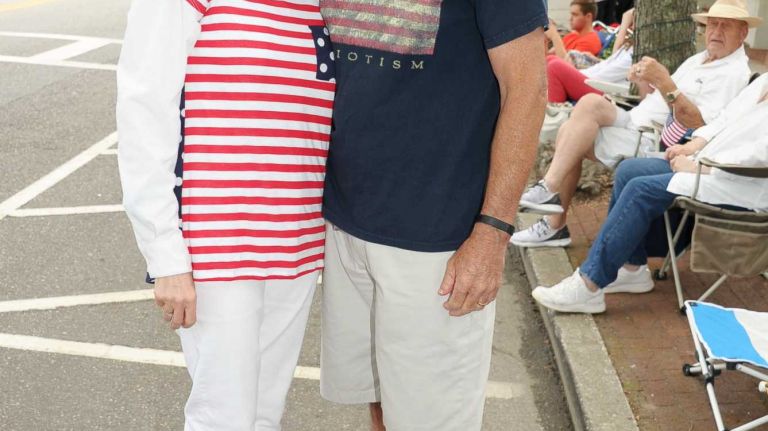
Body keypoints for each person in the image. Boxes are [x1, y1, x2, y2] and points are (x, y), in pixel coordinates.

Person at [317, 1, 548, 430]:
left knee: (430, 420)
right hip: (346, 221)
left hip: (437, 240)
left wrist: (493, 230)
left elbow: (528, 90)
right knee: (381, 399)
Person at [116, 0, 335, 429]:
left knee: (263, 414)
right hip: (218, 245)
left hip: (297, 243)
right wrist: (165, 256)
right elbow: (145, 110)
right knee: (223, 417)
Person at [512, 0, 758, 248]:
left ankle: (553, 213)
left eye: (726, 26)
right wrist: (645, 81)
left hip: (655, 139)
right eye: (712, 24)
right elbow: (659, 102)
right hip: (636, 118)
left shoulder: (733, 72)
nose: (716, 32)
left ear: (743, 33)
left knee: (571, 132)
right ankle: (551, 204)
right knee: (586, 106)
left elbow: (701, 127)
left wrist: (664, 82)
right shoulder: (699, 60)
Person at [531, 72, 768, 314]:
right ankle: (632, 269)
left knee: (640, 190)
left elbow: (760, 154)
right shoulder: (763, 81)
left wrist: (701, 166)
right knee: (629, 170)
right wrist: (690, 147)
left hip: (735, 183)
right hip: (703, 163)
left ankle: (588, 285)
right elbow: (723, 120)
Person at [547, 8, 635, 103]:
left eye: (575, 14)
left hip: (606, 91)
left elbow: (605, 75)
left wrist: (554, 36)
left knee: (555, 66)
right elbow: (611, 62)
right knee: (551, 60)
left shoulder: (591, 39)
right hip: (595, 82)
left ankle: (554, 112)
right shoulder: (571, 36)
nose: (570, 19)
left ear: (588, 17)